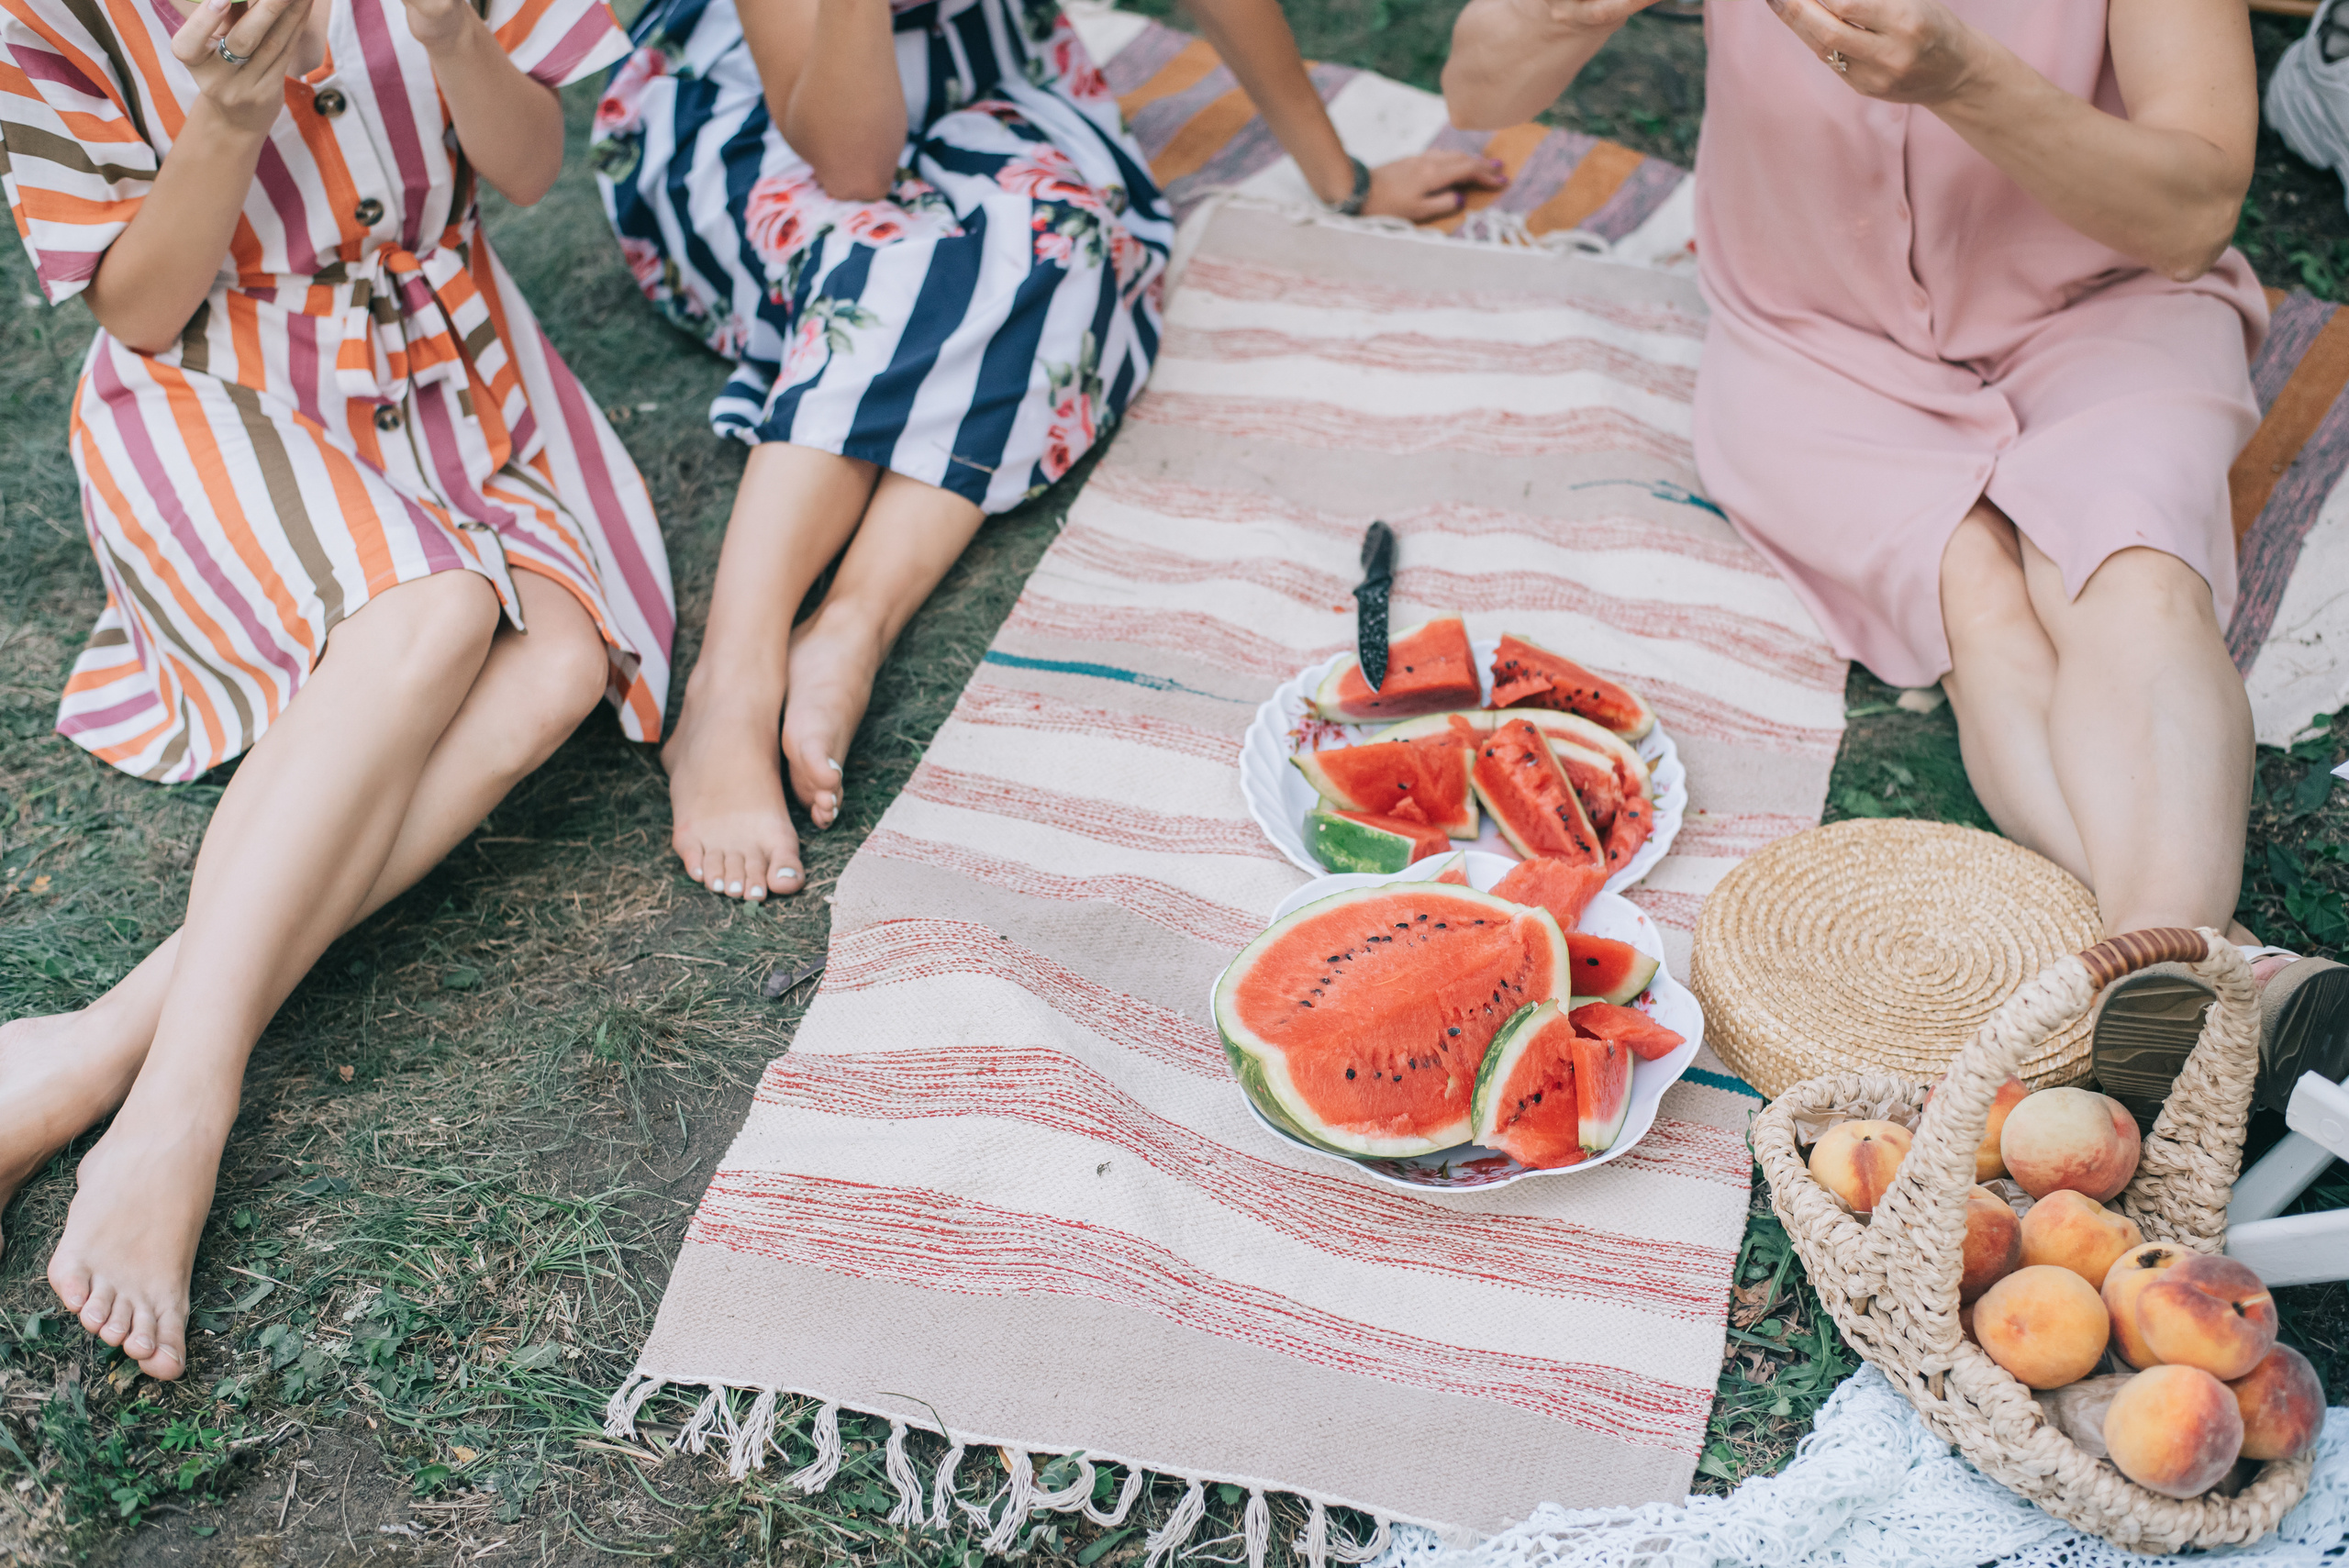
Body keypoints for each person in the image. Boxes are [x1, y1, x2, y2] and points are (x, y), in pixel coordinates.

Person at [1443, 0, 2348, 1117]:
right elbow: (1476, 94)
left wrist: (1967, 77)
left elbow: (2193, 215)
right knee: (1975, 593)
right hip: (1815, 342)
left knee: (2134, 572)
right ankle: (2217, 969)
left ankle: (2160, 965)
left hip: (2107, 308)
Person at [0, 0, 673, 1380]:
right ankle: (182, 1106)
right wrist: (232, 117)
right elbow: (140, 303)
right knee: (433, 612)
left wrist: (452, 36)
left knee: (553, 666)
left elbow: (535, 172)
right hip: (217, 383)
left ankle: (101, 1042)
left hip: (454, 380)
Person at [594, 0, 1504, 905]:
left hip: (989, 71)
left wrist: (1340, 178)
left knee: (1068, 247)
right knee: (894, 269)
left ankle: (849, 628)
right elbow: (855, 167)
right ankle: (734, 679)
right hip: (762, 111)